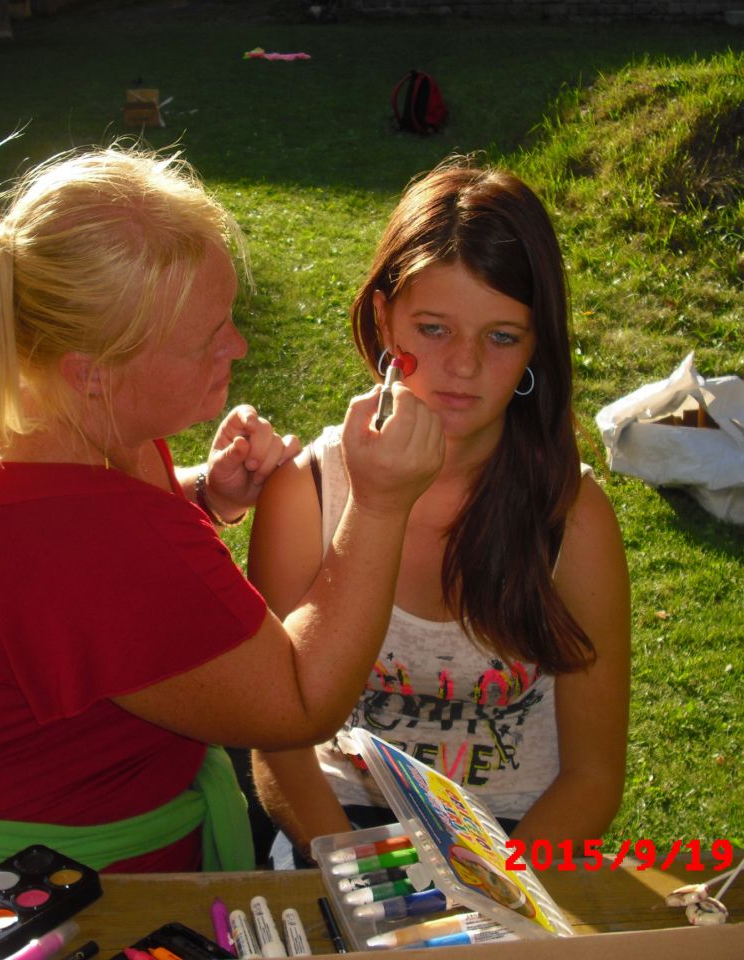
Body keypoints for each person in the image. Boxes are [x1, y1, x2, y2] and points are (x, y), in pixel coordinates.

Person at [0, 142, 443, 877]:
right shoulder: (80, 541)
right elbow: (300, 702)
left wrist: (201, 494)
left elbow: (67, 595)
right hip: (5, 883)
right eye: (209, 340)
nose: (240, 346)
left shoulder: (18, 386)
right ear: (92, 374)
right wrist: (379, 504)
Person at [247, 159, 631, 863]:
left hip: (513, 836)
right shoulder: (304, 495)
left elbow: (593, 776)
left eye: (502, 337)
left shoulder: (572, 517)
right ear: (383, 318)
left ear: (537, 345)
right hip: (339, 823)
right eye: (433, 329)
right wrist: (365, 873)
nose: (464, 365)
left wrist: (495, 886)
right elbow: (278, 748)